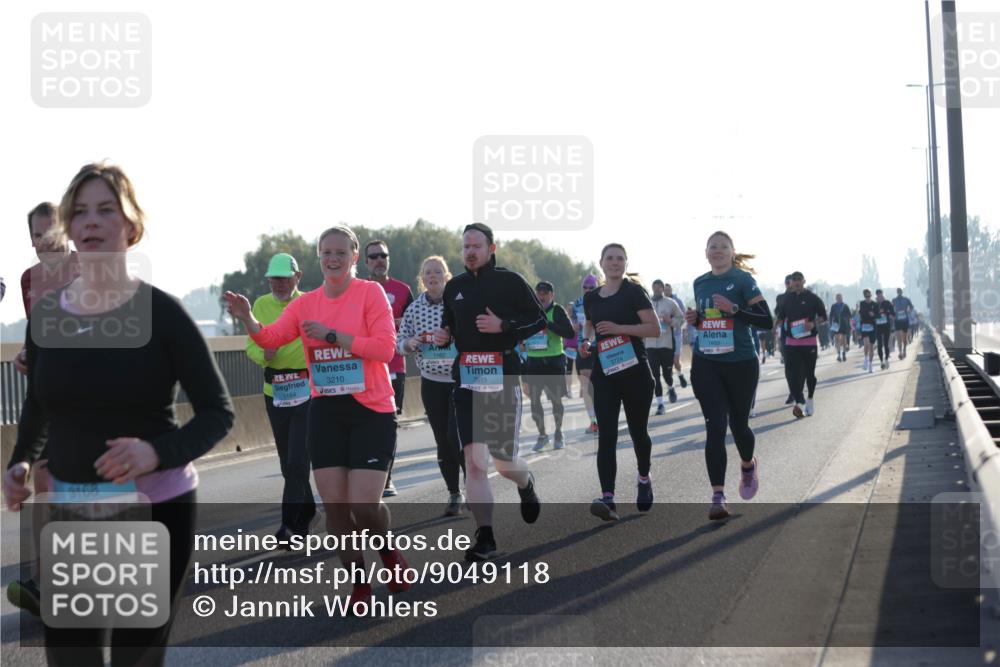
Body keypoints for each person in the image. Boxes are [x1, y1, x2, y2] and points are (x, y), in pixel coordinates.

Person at [3, 162, 235, 665]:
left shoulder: (162, 313)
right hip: (71, 508)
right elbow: (40, 406)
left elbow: (218, 413)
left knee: (134, 658)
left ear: (131, 226)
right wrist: (20, 462)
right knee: (72, 657)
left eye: (105, 210)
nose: (90, 221)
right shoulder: (47, 317)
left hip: (153, 508)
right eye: (80, 212)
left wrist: (156, 452)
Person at [225, 224, 411, 608]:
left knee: (363, 505)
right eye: (326, 252)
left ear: (355, 257)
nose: (332, 259)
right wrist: (247, 318)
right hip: (325, 410)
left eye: (341, 252)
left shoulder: (369, 293)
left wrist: (332, 336)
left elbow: (383, 348)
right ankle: (359, 582)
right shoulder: (306, 303)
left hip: (371, 410)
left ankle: (389, 554)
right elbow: (271, 339)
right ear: (318, 258)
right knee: (336, 509)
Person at [433, 223, 545, 561]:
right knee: (474, 461)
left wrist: (505, 326)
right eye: (465, 246)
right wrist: (445, 335)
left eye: (476, 246)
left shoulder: (510, 281)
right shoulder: (455, 287)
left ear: (491, 248)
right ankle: (485, 535)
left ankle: (525, 483)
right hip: (467, 382)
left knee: (503, 461)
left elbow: (538, 320)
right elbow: (450, 324)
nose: (469, 251)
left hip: (502, 377)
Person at [5, 201, 81, 615]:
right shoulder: (28, 280)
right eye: (36, 236)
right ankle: (44, 581)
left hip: (90, 401)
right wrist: (24, 354)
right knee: (46, 487)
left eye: (49, 234)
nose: (43, 242)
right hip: (46, 398)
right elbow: (36, 336)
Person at [685, 231, 773, 521]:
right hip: (706, 362)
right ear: (706, 252)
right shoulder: (700, 283)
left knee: (739, 425)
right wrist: (696, 319)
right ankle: (718, 496)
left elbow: (766, 321)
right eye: (713, 247)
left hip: (741, 362)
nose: (718, 251)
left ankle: (748, 465)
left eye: (724, 247)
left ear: (732, 253)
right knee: (715, 425)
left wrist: (734, 309)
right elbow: (708, 317)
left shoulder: (743, 281)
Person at [579, 245, 660, 521]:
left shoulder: (634, 291)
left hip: (636, 373)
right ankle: (608, 498)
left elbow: (654, 328)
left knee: (639, 433)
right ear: (601, 263)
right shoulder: (592, 298)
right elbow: (591, 328)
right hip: (605, 375)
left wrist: (619, 329)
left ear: (626, 263)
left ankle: (644, 477)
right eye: (609, 258)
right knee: (607, 437)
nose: (614, 263)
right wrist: (587, 343)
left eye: (619, 258)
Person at [245, 252, 316, 543]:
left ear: (297, 278)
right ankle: (309, 512)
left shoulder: (311, 302)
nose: (279, 284)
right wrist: (264, 354)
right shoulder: (260, 305)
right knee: (288, 463)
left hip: (308, 391)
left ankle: (289, 525)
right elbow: (249, 346)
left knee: (299, 460)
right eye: (274, 279)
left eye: (285, 278)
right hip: (274, 391)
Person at [398, 256, 465, 516]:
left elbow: (471, 335)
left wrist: (452, 337)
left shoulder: (457, 304)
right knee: (442, 441)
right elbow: (399, 341)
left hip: (459, 381)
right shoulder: (414, 309)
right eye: (428, 272)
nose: (433, 276)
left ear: (447, 276)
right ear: (422, 278)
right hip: (431, 383)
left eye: (438, 271)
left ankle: (473, 482)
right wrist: (410, 342)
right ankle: (454, 493)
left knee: (456, 437)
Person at [364, 239, 414, 497]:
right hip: (364, 367)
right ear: (365, 262)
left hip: (395, 367)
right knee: (364, 424)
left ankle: (386, 478)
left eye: (383, 255)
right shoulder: (357, 290)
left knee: (388, 424)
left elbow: (416, 326)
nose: (378, 260)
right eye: (373, 256)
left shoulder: (403, 290)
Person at [525, 281, 575, 451]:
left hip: (554, 361)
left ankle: (559, 433)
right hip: (534, 361)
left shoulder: (558, 310)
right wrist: (522, 340)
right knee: (534, 401)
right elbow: (521, 330)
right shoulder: (530, 311)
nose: (542, 295)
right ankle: (542, 435)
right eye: (539, 292)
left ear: (552, 295)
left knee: (556, 401)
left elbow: (569, 333)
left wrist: (549, 326)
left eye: (546, 293)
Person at [773, 271, 826, 418]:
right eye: (793, 280)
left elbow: (823, 317)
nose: (796, 283)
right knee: (792, 374)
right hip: (791, 341)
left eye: (798, 280)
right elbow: (781, 316)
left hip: (808, 341)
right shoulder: (787, 299)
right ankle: (799, 401)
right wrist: (774, 326)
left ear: (804, 281)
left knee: (809, 374)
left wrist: (813, 323)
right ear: (791, 283)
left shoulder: (813, 298)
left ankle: (809, 398)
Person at [646, 279, 685, 415]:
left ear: (662, 289)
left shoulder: (670, 303)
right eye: (654, 287)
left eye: (659, 288)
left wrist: (670, 321)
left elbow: (681, 319)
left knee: (667, 374)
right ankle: (660, 404)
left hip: (666, 344)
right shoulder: (647, 303)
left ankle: (671, 386)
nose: (656, 290)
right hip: (650, 344)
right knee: (655, 375)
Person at [570, 275, 600, 434]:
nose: (588, 290)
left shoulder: (602, 300)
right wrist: (574, 325)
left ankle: (605, 415)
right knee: (586, 384)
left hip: (601, 346)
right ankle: (593, 421)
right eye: (585, 287)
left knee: (601, 385)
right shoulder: (576, 304)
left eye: (591, 287)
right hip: (583, 347)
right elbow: (574, 324)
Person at [663, 283, 689, 389]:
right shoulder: (660, 302)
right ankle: (671, 386)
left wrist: (681, 327)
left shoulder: (678, 301)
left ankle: (680, 375)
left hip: (677, 334)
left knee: (675, 361)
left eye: (668, 290)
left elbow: (684, 318)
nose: (667, 292)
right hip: (664, 337)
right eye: (665, 290)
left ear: (671, 290)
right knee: (668, 362)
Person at [775, 275, 795, 404]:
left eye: (791, 282)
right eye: (787, 282)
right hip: (786, 335)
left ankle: (797, 390)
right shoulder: (781, 297)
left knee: (799, 366)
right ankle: (792, 391)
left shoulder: (803, 296)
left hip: (801, 335)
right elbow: (778, 313)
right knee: (788, 366)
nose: (789, 284)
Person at [857, 289, 879, 373]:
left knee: (871, 346)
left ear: (871, 295)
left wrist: (874, 315)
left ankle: (870, 365)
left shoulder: (875, 304)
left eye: (869, 296)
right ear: (864, 296)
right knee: (866, 344)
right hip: (864, 326)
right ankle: (866, 360)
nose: (868, 298)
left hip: (873, 327)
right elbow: (860, 313)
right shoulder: (862, 303)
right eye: (866, 296)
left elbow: (878, 315)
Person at [829, 293, 852, 362]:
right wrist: (831, 324)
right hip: (836, 324)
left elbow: (850, 316)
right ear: (836, 299)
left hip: (844, 324)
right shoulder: (833, 306)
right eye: (838, 297)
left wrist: (850, 324)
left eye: (840, 297)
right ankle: (839, 354)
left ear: (842, 298)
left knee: (844, 339)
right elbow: (830, 316)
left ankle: (844, 352)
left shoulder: (845, 306)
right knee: (837, 339)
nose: (839, 299)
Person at [891, 288, 913, 360]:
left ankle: (904, 350)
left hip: (904, 320)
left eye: (900, 292)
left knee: (904, 339)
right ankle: (900, 352)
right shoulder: (894, 300)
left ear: (902, 292)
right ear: (897, 292)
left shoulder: (906, 299)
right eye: (898, 292)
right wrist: (893, 315)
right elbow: (891, 309)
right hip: (897, 321)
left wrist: (909, 311)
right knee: (899, 338)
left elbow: (911, 306)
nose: (899, 293)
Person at [874, 289, 893, 370]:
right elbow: (872, 314)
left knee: (885, 343)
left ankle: (886, 359)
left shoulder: (887, 303)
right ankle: (881, 361)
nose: (879, 297)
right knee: (879, 344)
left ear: (883, 295)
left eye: (880, 295)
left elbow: (892, 313)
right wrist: (878, 313)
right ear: (876, 297)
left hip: (886, 326)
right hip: (878, 326)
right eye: (878, 296)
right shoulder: (874, 305)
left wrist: (886, 312)